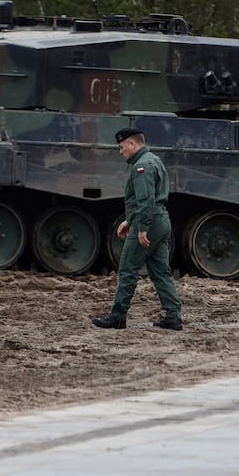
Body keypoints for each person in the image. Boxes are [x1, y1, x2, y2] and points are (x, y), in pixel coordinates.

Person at [91, 127, 183, 331]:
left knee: (127, 269)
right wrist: (129, 221)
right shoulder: (153, 159)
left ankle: (117, 317)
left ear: (132, 144)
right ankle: (173, 316)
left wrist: (141, 229)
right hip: (160, 220)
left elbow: (145, 200)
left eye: (122, 147)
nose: (120, 151)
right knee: (161, 271)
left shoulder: (141, 166)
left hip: (149, 223)